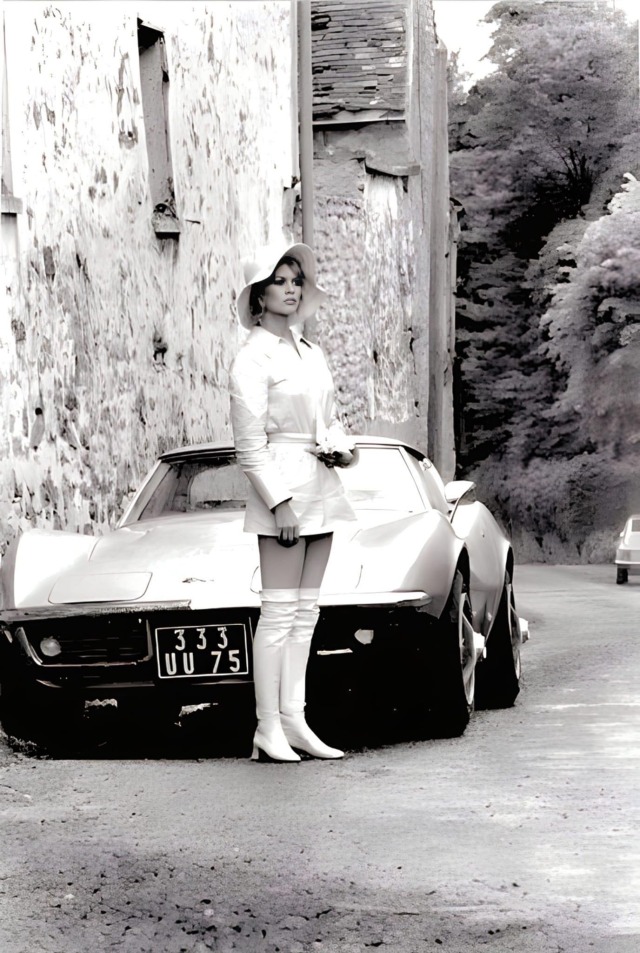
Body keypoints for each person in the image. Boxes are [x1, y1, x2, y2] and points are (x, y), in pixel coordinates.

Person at [229, 242, 357, 763]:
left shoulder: (311, 352)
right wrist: (279, 504)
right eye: (278, 280)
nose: (290, 287)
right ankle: (266, 727)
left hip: (320, 484)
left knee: (306, 614)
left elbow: (325, 419)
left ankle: (296, 721)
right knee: (278, 614)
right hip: (280, 489)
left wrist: (342, 450)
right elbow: (249, 447)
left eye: (295, 280)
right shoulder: (251, 358)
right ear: (258, 295)